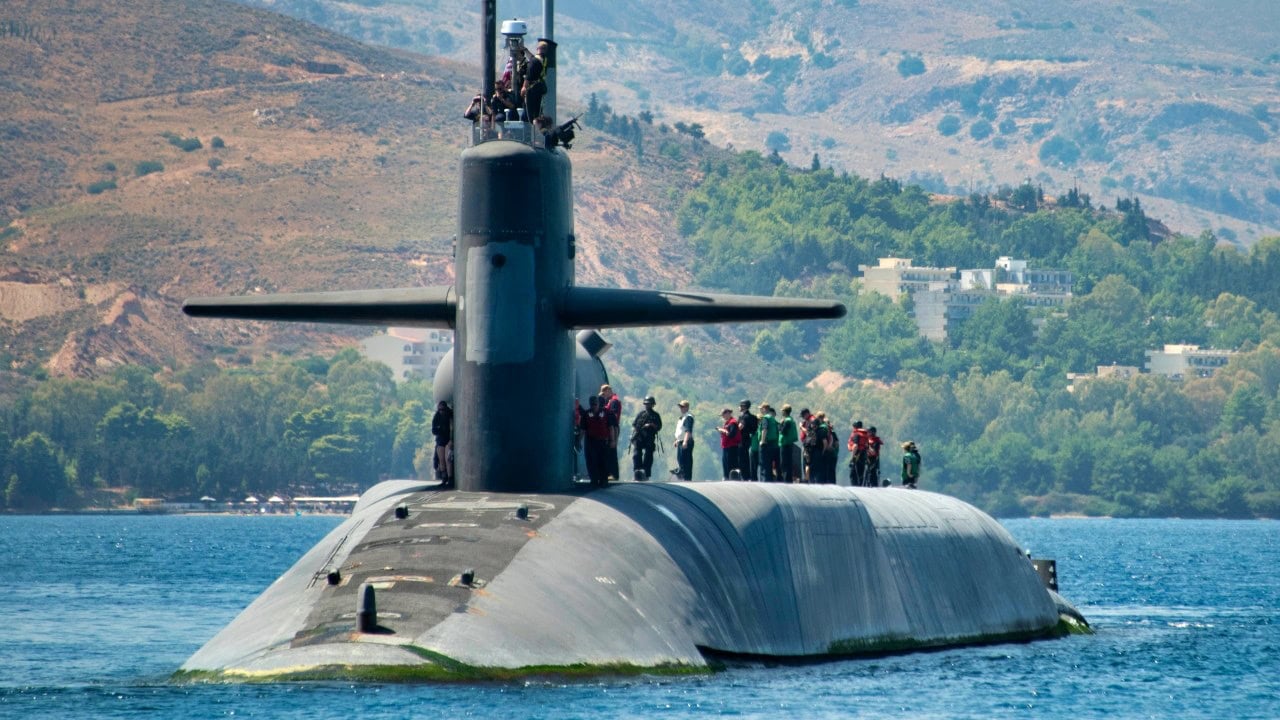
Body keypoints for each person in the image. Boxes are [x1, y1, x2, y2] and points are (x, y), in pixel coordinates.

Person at [579, 396, 611, 487]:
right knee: (591, 461)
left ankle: (603, 479)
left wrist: (612, 440)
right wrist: (578, 441)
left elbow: (611, 427)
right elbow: (583, 429)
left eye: (595, 404)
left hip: (602, 441)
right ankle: (594, 479)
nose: (594, 406)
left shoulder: (605, 413)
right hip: (591, 441)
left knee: (603, 461)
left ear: (598, 404)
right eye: (592, 404)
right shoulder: (587, 414)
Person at [631, 396, 663, 480]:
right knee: (636, 455)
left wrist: (652, 425)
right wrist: (634, 434)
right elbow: (634, 425)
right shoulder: (641, 414)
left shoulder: (655, 415)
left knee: (648, 456)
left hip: (649, 438)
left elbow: (659, 427)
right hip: (639, 438)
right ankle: (637, 471)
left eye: (649, 404)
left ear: (652, 405)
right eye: (646, 404)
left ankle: (646, 473)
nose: (647, 405)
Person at [522, 39, 550, 121]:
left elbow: (529, 75)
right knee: (538, 110)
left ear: (538, 48)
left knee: (530, 112)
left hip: (533, 89)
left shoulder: (534, 62)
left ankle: (532, 127)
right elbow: (533, 58)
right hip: (540, 86)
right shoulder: (544, 60)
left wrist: (524, 87)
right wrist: (526, 50)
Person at [599, 384, 622, 481]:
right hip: (612, 426)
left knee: (612, 451)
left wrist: (614, 437)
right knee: (610, 451)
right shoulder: (612, 401)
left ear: (608, 391)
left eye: (604, 393)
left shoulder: (613, 401)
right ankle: (610, 472)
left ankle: (613, 473)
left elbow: (613, 416)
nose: (604, 396)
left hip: (613, 427)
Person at [431, 400, 454, 487]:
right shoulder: (436, 417)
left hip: (448, 439)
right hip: (440, 440)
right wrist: (440, 429)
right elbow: (434, 430)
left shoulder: (450, 415)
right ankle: (444, 478)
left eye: (443, 410)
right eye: (440, 410)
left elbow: (452, 428)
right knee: (441, 460)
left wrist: (451, 440)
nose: (442, 412)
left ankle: (450, 478)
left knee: (448, 459)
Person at [757, 403, 780, 482]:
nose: (760, 410)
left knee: (764, 465)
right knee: (769, 466)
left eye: (761, 408)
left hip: (766, 444)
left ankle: (764, 482)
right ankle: (770, 482)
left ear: (764, 408)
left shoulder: (765, 418)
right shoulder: (772, 418)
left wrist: (762, 441)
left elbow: (764, 429)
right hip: (773, 444)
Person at [673, 400, 694, 481]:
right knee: (680, 459)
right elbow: (679, 430)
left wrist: (685, 441)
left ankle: (687, 478)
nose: (681, 408)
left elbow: (688, 430)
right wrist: (676, 440)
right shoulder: (682, 417)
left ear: (687, 407)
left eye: (682, 407)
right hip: (680, 441)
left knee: (686, 460)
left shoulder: (688, 417)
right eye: (680, 407)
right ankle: (683, 475)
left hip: (686, 441)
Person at [737, 400, 759, 481]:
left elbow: (740, 427)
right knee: (749, 459)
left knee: (742, 459)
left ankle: (745, 476)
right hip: (750, 440)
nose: (739, 407)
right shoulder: (753, 417)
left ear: (743, 406)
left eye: (740, 406)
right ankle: (751, 476)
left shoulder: (744, 417)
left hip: (742, 440)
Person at [717, 408, 741, 480]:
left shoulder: (732, 422)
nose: (723, 417)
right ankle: (726, 476)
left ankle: (732, 478)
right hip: (726, 446)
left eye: (723, 415)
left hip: (731, 447)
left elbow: (731, 434)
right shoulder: (727, 423)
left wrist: (723, 431)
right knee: (725, 463)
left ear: (728, 413)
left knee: (730, 463)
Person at [778, 404, 800, 483]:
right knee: (788, 463)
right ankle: (788, 479)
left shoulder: (786, 421)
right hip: (789, 444)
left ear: (784, 411)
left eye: (782, 411)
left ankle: (786, 480)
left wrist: (780, 424)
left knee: (784, 463)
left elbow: (783, 431)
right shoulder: (791, 419)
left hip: (785, 444)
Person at [817, 412, 837, 484]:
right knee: (830, 470)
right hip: (831, 452)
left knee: (825, 469)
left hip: (826, 451)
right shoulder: (831, 431)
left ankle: (824, 482)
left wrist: (825, 449)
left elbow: (827, 441)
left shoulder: (823, 429)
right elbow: (836, 442)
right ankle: (830, 483)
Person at [847, 420, 869, 487]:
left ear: (855, 427)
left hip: (857, 455)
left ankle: (855, 487)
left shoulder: (857, 434)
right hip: (864, 455)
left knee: (852, 474)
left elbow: (855, 445)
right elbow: (867, 446)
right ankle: (860, 486)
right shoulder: (865, 434)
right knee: (861, 472)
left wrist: (852, 457)